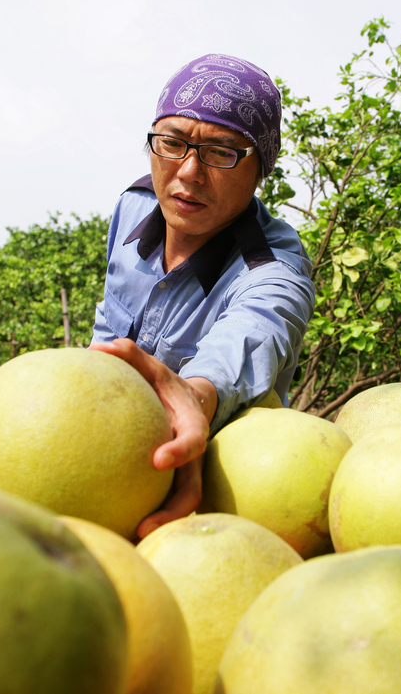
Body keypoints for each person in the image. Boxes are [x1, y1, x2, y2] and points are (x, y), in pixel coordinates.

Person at [90, 54, 315, 539]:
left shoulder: (273, 267)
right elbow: (107, 332)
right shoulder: (133, 207)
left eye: (220, 152)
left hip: (213, 505)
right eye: (172, 143)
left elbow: (258, 330)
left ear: (261, 169)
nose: (188, 172)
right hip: (105, 463)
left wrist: (193, 398)